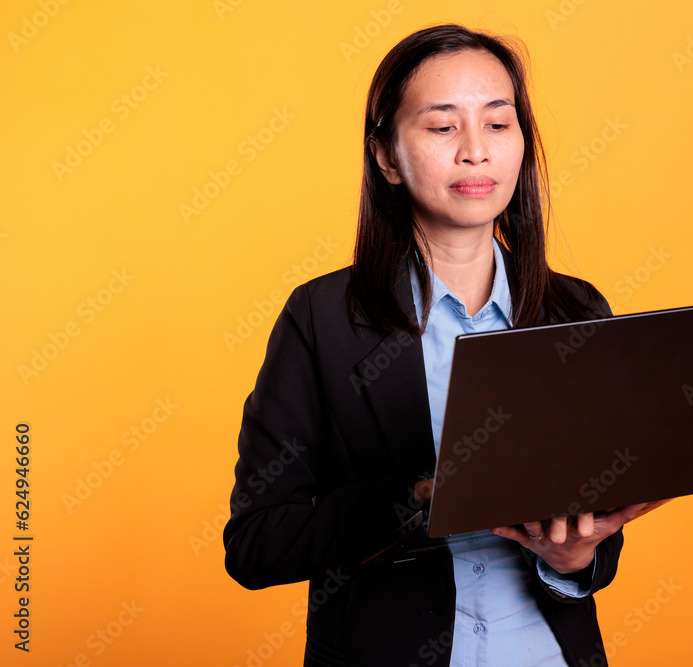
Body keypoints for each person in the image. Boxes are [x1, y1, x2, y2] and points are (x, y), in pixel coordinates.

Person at [222, 23, 645, 667]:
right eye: (443, 127)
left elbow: (595, 533)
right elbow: (255, 545)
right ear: (388, 157)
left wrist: (574, 558)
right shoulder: (323, 318)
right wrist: (421, 493)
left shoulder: (575, 311)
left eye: (498, 125)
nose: (476, 152)